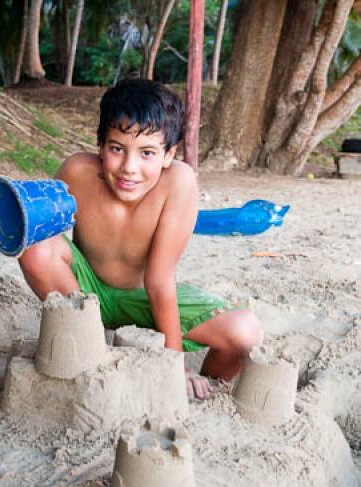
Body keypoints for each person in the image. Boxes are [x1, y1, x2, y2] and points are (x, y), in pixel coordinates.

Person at [19, 78, 263, 399]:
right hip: (83, 294)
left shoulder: (178, 182)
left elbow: (159, 281)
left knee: (245, 333)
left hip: (145, 300)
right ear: (100, 146)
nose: (129, 168)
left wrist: (174, 364)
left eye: (147, 152)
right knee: (33, 243)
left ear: (168, 154)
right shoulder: (77, 172)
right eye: (117, 149)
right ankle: (87, 343)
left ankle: (209, 387)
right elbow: (36, 226)